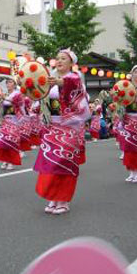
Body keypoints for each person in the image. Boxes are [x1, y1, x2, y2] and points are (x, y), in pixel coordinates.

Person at [34, 49, 90, 215]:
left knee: (63, 163)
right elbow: (40, 99)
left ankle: (63, 200)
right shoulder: (49, 79)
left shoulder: (75, 79)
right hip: (51, 128)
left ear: (71, 63)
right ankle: (52, 196)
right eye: (57, 58)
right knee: (50, 164)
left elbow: (72, 85)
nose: (59, 61)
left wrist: (59, 82)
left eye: (63, 59)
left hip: (69, 127)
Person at [0, 77, 24, 171]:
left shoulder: (18, 94)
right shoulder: (6, 94)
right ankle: (5, 160)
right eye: (7, 82)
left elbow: (18, 103)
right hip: (6, 120)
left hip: (15, 120)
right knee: (3, 141)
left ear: (14, 85)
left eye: (10, 82)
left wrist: (5, 99)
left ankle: (11, 162)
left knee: (11, 142)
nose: (8, 84)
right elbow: (1, 108)